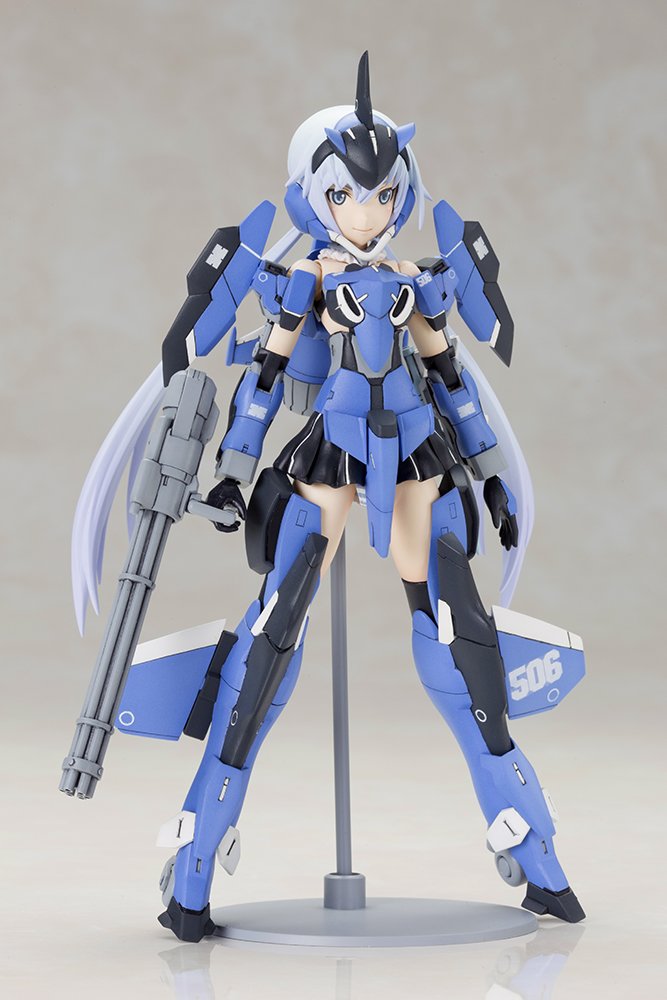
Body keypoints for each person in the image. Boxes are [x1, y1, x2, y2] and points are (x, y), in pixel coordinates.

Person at [66, 53, 585, 942]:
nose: (367, 214)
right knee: (272, 635)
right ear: (315, 196)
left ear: (402, 192)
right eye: (346, 195)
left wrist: (492, 470)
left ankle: (537, 857)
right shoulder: (303, 281)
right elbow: (264, 381)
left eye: (382, 195)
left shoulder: (418, 280)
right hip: (329, 455)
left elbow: (451, 378)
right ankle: (193, 870)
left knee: (459, 639)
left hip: (418, 457)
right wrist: (232, 471)